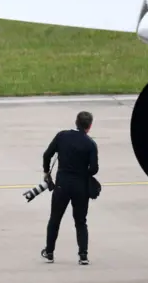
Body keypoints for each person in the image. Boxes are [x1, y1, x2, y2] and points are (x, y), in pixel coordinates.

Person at [40, 111, 98, 264]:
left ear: (76, 122)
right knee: (80, 221)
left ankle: (50, 251)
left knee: (55, 218)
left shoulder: (62, 136)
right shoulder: (90, 144)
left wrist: (47, 171)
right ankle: (83, 255)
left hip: (62, 184)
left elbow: (47, 155)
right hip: (80, 186)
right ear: (89, 126)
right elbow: (94, 169)